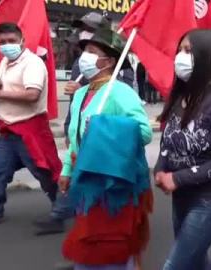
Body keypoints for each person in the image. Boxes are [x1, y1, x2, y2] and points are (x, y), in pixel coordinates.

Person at [59, 27, 152, 270]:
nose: (84, 57)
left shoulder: (121, 92)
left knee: (112, 244)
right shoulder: (80, 94)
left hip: (113, 181)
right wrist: (67, 170)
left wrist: (103, 127)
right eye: (83, 52)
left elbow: (144, 132)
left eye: (91, 51)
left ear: (110, 61)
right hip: (85, 177)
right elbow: (76, 136)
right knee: (89, 239)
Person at [155, 29, 211, 270]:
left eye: (188, 51)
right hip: (182, 196)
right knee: (194, 260)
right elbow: (168, 141)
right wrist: (161, 169)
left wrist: (177, 177)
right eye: (180, 50)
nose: (180, 57)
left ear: (207, 58)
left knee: (176, 265)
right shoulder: (182, 96)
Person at [0, 23, 73, 233]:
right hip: (9, 128)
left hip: (31, 127)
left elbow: (32, 95)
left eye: (11, 41)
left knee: (46, 172)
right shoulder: (5, 62)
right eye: (3, 42)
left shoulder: (32, 63)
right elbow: (3, 86)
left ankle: (62, 210)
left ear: (22, 40)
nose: (7, 46)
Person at [63, 12, 134, 142]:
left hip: (104, 142)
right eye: (82, 29)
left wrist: (85, 90)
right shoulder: (80, 61)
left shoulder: (120, 64)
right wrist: (70, 131)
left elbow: (123, 96)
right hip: (78, 135)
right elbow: (74, 106)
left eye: (90, 29)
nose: (84, 33)